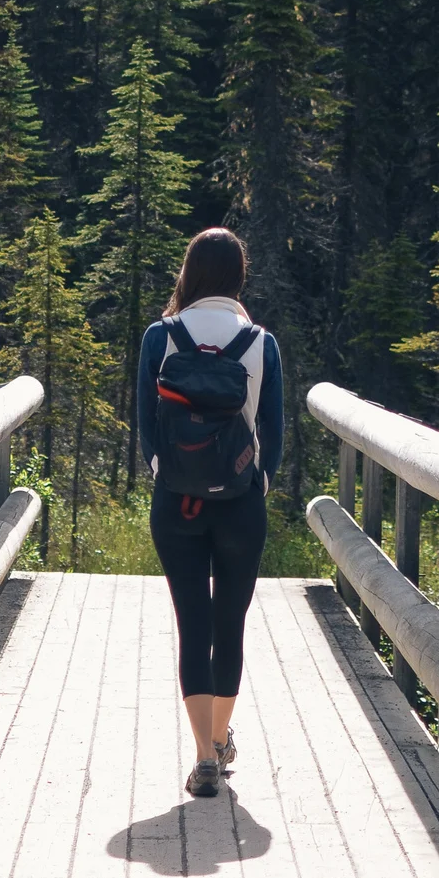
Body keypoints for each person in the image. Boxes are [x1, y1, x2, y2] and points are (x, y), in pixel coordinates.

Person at [137, 227, 283, 799]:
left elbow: (147, 426)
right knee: (231, 623)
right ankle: (220, 743)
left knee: (191, 624)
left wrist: (163, 474)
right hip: (240, 504)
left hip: (175, 500)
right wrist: (257, 482)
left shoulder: (161, 336)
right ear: (238, 277)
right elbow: (272, 431)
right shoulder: (260, 343)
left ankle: (202, 756)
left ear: (190, 274)